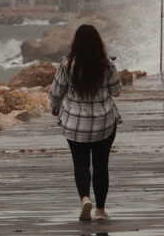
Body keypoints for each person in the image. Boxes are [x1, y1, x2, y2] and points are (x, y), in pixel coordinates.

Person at [48, 23, 122, 222]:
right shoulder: (106, 64)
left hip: (75, 124)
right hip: (103, 122)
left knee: (80, 164)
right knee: (101, 165)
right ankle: (100, 210)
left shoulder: (67, 64)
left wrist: (55, 108)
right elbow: (116, 91)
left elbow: (56, 91)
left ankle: (84, 199)